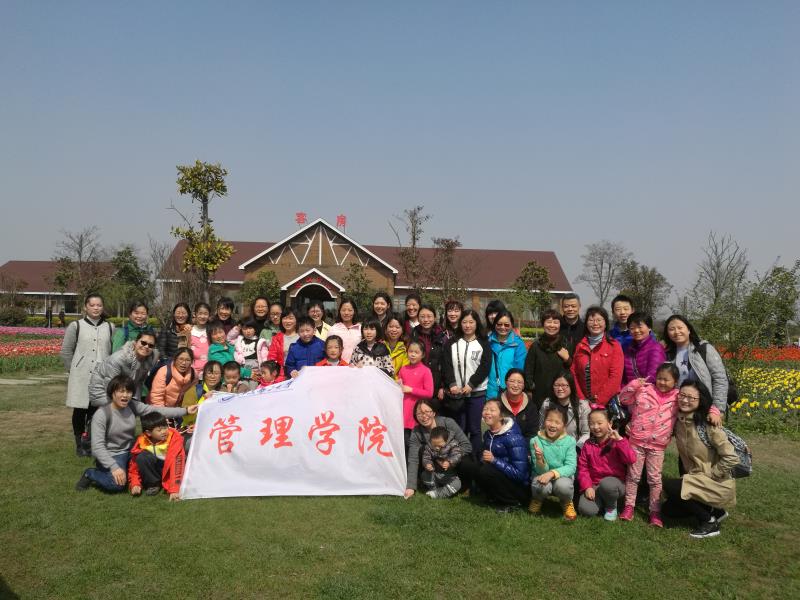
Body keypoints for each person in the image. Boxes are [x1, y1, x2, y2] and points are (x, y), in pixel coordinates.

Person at [75, 375, 196, 493]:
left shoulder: (131, 405)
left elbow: (156, 410)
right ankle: (90, 474)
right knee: (117, 484)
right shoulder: (102, 415)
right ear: (112, 393)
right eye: (121, 391)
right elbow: (97, 447)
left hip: (131, 449)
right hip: (113, 454)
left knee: (150, 458)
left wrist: (185, 411)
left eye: (128, 392)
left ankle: (156, 481)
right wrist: (114, 467)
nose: (125, 395)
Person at [663, 381, 738, 538]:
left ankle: (709, 522)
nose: (685, 400)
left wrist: (712, 474)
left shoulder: (708, 425)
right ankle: (715, 511)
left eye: (691, 398)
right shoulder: (679, 422)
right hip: (695, 479)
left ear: (701, 400)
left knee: (670, 486)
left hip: (714, 482)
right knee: (668, 510)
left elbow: (731, 457)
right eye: (682, 395)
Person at [618, 364, 681, 527]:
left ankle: (655, 511)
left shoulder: (678, 397)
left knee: (654, 479)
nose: (662, 382)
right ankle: (629, 507)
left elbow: (695, 402)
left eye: (667, 380)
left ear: (675, 381)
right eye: (659, 378)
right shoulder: (644, 390)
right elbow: (623, 399)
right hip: (637, 441)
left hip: (657, 446)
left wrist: (714, 411)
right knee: (633, 476)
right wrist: (634, 385)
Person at [60, 293, 114, 456]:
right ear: (85, 307)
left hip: (102, 377)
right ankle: (79, 444)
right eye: (92, 305)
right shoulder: (76, 326)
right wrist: (73, 370)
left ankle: (90, 443)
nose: (96, 308)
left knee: (96, 411)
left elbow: (113, 351)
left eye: (99, 305)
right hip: (81, 375)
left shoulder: (110, 327)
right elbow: (66, 351)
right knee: (79, 410)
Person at [458, 398, 530, 512]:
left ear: (501, 416)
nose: (487, 413)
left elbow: (520, 474)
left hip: (519, 487)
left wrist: (494, 460)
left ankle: (513, 502)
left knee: (485, 470)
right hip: (501, 478)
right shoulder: (488, 435)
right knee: (472, 466)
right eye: (485, 409)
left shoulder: (514, 438)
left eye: (492, 410)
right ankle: (493, 497)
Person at [442, 309, 491, 452]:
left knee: (475, 429)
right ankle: (459, 459)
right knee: (459, 429)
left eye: (471, 322)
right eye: (464, 322)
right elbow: (446, 365)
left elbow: (485, 366)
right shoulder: (452, 342)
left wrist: (471, 384)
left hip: (477, 393)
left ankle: (476, 458)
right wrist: (452, 384)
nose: (467, 325)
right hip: (457, 395)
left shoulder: (483, 342)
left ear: (477, 323)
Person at [404, 398, 472, 499]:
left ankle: (464, 486)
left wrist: (450, 459)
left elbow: (466, 445)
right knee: (422, 450)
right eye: (419, 413)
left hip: (454, 458)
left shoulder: (448, 422)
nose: (424, 416)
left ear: (434, 413)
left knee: (468, 463)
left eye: (427, 412)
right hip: (433, 463)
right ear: (415, 416)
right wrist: (410, 487)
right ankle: (431, 483)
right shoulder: (416, 431)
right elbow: (413, 459)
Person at [576, 409, 637, 520]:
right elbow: (583, 468)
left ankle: (611, 507)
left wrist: (619, 440)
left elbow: (631, 459)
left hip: (615, 484)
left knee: (607, 484)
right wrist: (587, 487)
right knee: (586, 510)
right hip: (595, 485)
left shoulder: (617, 441)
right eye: (592, 424)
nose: (595, 427)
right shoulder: (588, 444)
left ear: (610, 423)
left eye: (599, 423)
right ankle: (603, 502)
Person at [664, 314, 729, 416]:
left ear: (689, 330)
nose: (676, 332)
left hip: (705, 408)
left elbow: (720, 379)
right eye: (672, 329)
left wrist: (717, 409)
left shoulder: (704, 349)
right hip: (679, 408)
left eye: (680, 328)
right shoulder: (667, 354)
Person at [528, 406, 578, 520]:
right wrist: (540, 459)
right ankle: (537, 500)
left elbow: (571, 467)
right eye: (549, 420)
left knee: (563, 486)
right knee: (541, 485)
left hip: (562, 477)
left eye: (557, 422)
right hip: (541, 474)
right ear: (544, 422)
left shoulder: (570, 441)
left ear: (564, 425)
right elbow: (540, 471)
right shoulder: (535, 441)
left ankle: (566, 502)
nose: (552, 425)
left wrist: (552, 473)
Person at [571, 306, 623, 408]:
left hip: (606, 403)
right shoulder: (580, 345)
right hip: (583, 404)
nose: (595, 323)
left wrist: (598, 402)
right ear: (586, 323)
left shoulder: (614, 346)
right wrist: (581, 399)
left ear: (605, 323)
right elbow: (574, 373)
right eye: (591, 320)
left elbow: (615, 377)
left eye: (599, 320)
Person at [89, 332, 159, 407]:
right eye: (143, 343)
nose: (146, 346)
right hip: (103, 393)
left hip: (124, 392)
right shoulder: (118, 358)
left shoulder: (148, 360)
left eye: (151, 345)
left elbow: (139, 383)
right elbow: (111, 386)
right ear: (135, 342)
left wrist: (136, 401)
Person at [127, 412, 186, 500]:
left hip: (170, 470)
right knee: (141, 457)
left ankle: (170, 483)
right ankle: (153, 484)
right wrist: (135, 484)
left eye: (165, 427)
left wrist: (174, 489)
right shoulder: (142, 441)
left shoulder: (174, 439)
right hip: (155, 469)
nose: (164, 432)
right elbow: (134, 466)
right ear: (148, 433)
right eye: (159, 430)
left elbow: (177, 464)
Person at [524, 308, 572, 406]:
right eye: (549, 322)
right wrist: (530, 389)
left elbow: (572, 369)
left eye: (555, 322)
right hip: (539, 394)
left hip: (560, 393)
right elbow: (528, 370)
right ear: (543, 324)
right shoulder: (536, 346)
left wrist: (567, 359)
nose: (552, 325)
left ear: (560, 325)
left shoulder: (566, 344)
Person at [538, 372, 591, 449]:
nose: (560, 389)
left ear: (571, 386)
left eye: (564, 385)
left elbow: (586, 433)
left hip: (574, 449)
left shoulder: (582, 406)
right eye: (556, 385)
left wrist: (575, 450)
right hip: (550, 448)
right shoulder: (547, 404)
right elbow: (541, 429)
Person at [486, 310, 527, 402]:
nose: (503, 327)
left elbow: (520, 369)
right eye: (499, 324)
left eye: (506, 325)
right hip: (490, 390)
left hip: (510, 391)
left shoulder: (518, 344)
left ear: (512, 325)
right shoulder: (488, 341)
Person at [398, 341, 434, 438]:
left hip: (418, 413)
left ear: (423, 355)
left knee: (416, 441)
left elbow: (429, 393)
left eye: (416, 352)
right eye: (410, 351)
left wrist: (411, 390)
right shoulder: (403, 369)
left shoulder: (426, 371)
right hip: (403, 411)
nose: (413, 354)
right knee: (404, 441)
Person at [410, 305, 447, 399]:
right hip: (417, 380)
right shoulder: (414, 334)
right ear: (418, 318)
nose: (426, 320)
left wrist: (443, 386)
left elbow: (446, 362)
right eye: (422, 317)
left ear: (435, 318)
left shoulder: (442, 335)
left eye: (429, 316)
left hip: (436, 382)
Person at [622, 312, 666, 385]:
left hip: (648, 390)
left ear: (649, 328)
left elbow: (653, 377)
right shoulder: (628, 350)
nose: (636, 330)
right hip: (630, 390)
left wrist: (635, 386)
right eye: (632, 328)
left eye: (640, 327)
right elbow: (623, 377)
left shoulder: (656, 348)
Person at [421, 426, 464, 499]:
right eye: (434, 445)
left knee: (457, 484)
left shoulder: (453, 444)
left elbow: (457, 455)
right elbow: (426, 457)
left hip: (449, 475)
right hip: (434, 473)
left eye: (440, 445)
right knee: (424, 475)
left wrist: (449, 462)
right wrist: (427, 464)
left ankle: (438, 494)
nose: (437, 448)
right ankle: (434, 489)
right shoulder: (428, 446)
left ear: (446, 440)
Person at [180, 361, 223, 430]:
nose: (212, 376)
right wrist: (204, 399)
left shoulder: (223, 392)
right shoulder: (194, 391)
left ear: (221, 376)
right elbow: (187, 417)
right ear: (204, 375)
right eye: (209, 373)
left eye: (216, 373)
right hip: (193, 429)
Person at [499, 369, 538, 440]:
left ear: (523, 385)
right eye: (512, 381)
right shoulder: (497, 404)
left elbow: (532, 434)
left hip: (524, 444)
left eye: (519, 382)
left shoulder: (531, 407)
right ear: (506, 383)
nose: (515, 385)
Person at [267, 308, 301, 374]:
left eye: (291, 318)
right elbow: (272, 357)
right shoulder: (276, 338)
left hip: (300, 372)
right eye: (285, 318)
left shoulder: (302, 336)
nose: (287, 321)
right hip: (282, 373)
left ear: (297, 320)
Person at [328, 298, 362, 363]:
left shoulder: (360, 329)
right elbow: (328, 349)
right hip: (339, 366)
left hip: (356, 366)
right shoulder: (333, 329)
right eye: (343, 310)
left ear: (354, 311)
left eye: (350, 310)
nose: (346, 313)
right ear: (340, 311)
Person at [189, 302, 211, 378]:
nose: (203, 316)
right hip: (192, 372)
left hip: (210, 372)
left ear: (209, 315)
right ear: (194, 314)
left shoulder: (212, 331)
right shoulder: (189, 331)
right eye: (200, 313)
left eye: (205, 314)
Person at [384, 314, 409, 379]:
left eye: (397, 327)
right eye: (391, 326)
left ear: (402, 330)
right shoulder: (380, 345)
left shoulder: (406, 349)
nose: (394, 330)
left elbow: (404, 372)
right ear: (386, 328)